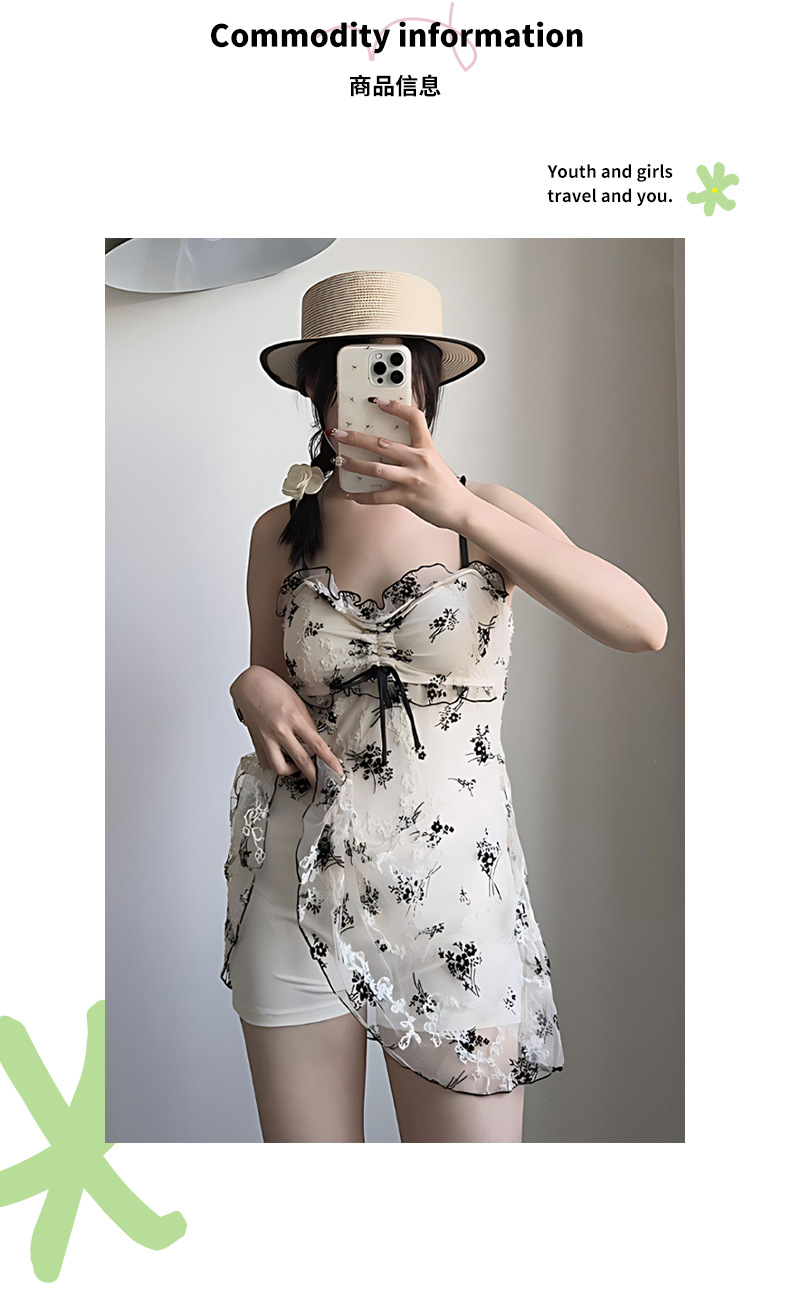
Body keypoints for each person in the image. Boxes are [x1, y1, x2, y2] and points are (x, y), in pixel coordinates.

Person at [223, 269, 668, 1144]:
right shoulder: (279, 532)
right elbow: (271, 684)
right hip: (297, 887)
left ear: (426, 382)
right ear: (315, 388)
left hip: (455, 902)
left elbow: (641, 626)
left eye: (395, 370)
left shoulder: (484, 515)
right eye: (347, 373)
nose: (375, 395)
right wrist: (249, 687)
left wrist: (458, 504)